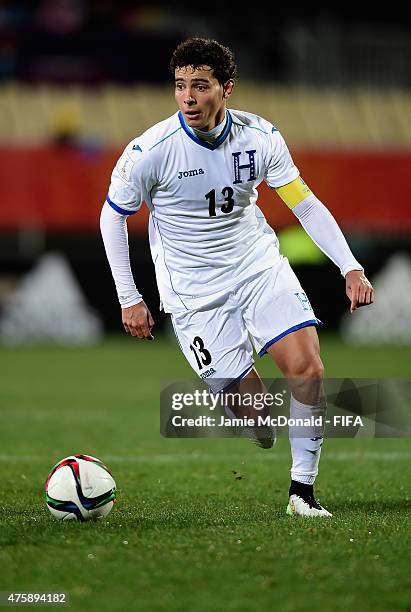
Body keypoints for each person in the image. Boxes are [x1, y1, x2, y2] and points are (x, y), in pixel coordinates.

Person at [100, 37, 374, 518]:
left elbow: (303, 203)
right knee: (256, 413)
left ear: (226, 89)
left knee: (307, 370)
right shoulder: (150, 151)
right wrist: (129, 296)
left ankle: (302, 493)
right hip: (193, 292)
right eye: (180, 86)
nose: (187, 97)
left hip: (256, 265)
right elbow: (111, 218)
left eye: (199, 86)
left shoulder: (261, 136)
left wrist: (349, 265)